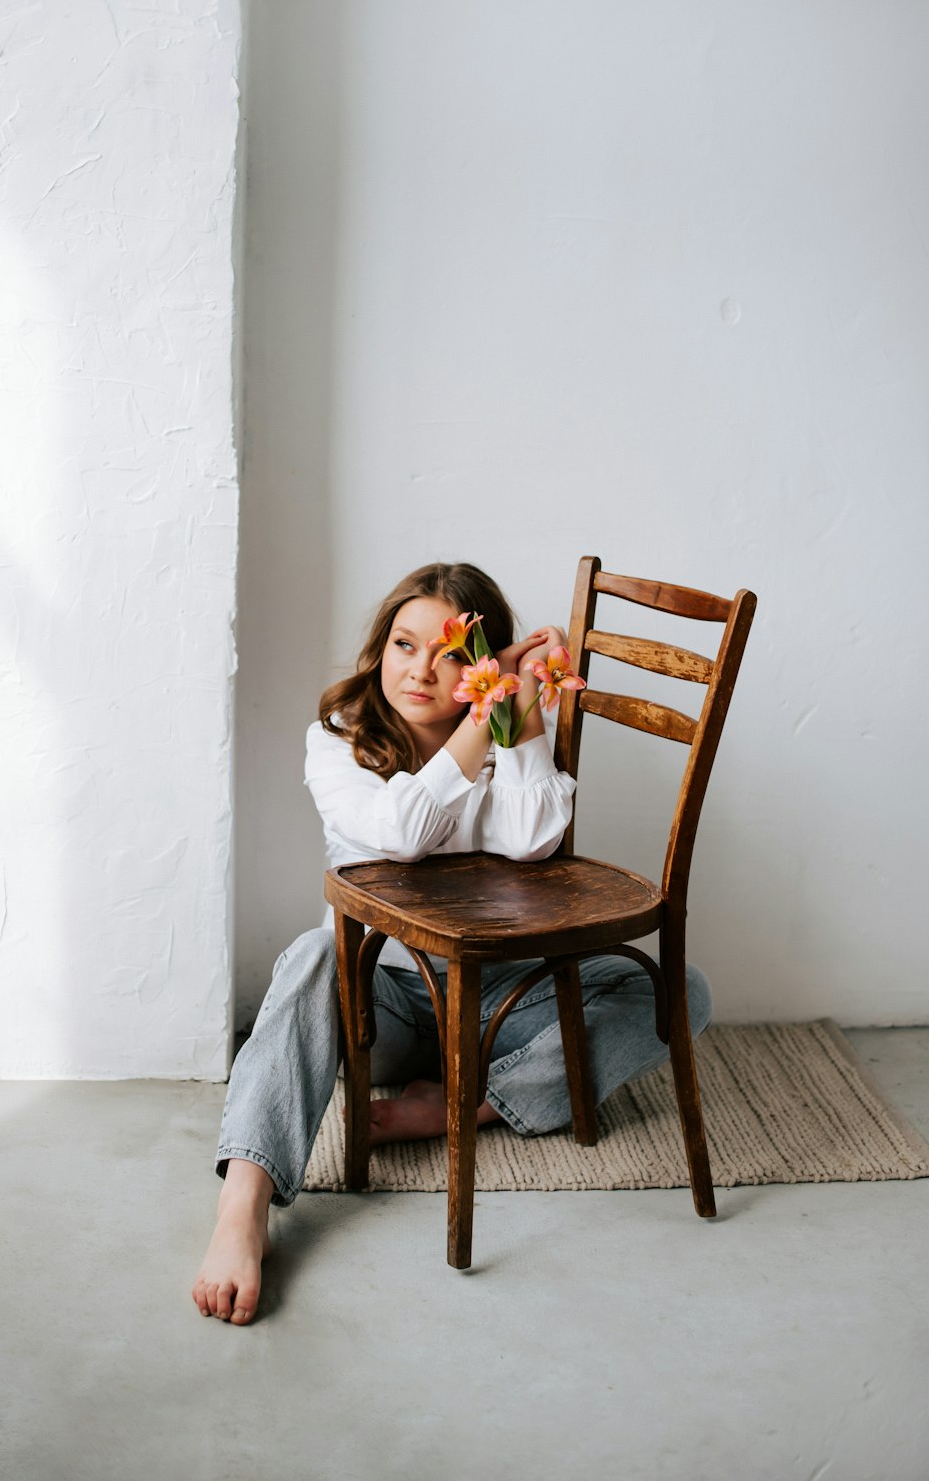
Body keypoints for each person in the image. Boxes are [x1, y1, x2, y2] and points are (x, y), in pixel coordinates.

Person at [192, 562, 711, 1324]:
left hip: (504, 997)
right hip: (393, 1004)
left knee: (680, 992)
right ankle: (244, 1204)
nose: (422, 670)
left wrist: (523, 708)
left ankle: (467, 1109)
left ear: (480, 664)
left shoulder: (503, 740)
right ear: (378, 651)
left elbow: (537, 839)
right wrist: (485, 710)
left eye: (450, 655)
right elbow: (397, 837)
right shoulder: (338, 744)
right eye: (405, 645)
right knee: (311, 956)